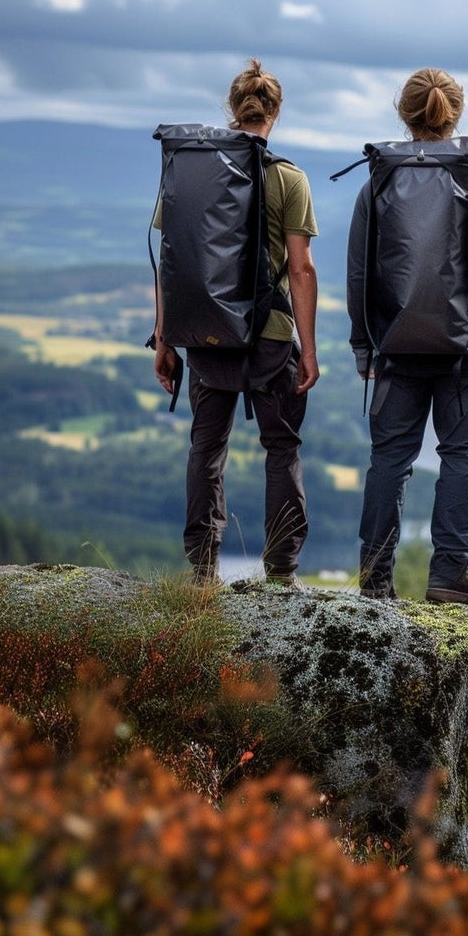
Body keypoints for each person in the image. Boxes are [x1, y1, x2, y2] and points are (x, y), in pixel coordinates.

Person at [347, 67, 468, 604]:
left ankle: (375, 579)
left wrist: (363, 344)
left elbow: (359, 273)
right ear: (456, 116)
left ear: (404, 113)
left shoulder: (375, 184)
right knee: (463, 455)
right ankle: (450, 574)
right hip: (462, 352)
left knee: (389, 460)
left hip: (394, 348)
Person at [152, 61, 320, 584]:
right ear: (276, 113)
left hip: (206, 333)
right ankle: (281, 572)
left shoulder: (193, 169)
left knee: (206, 449)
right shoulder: (288, 177)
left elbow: (173, 255)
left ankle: (202, 574)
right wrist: (308, 350)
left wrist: (164, 340)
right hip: (269, 337)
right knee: (282, 448)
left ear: (233, 107)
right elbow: (300, 269)